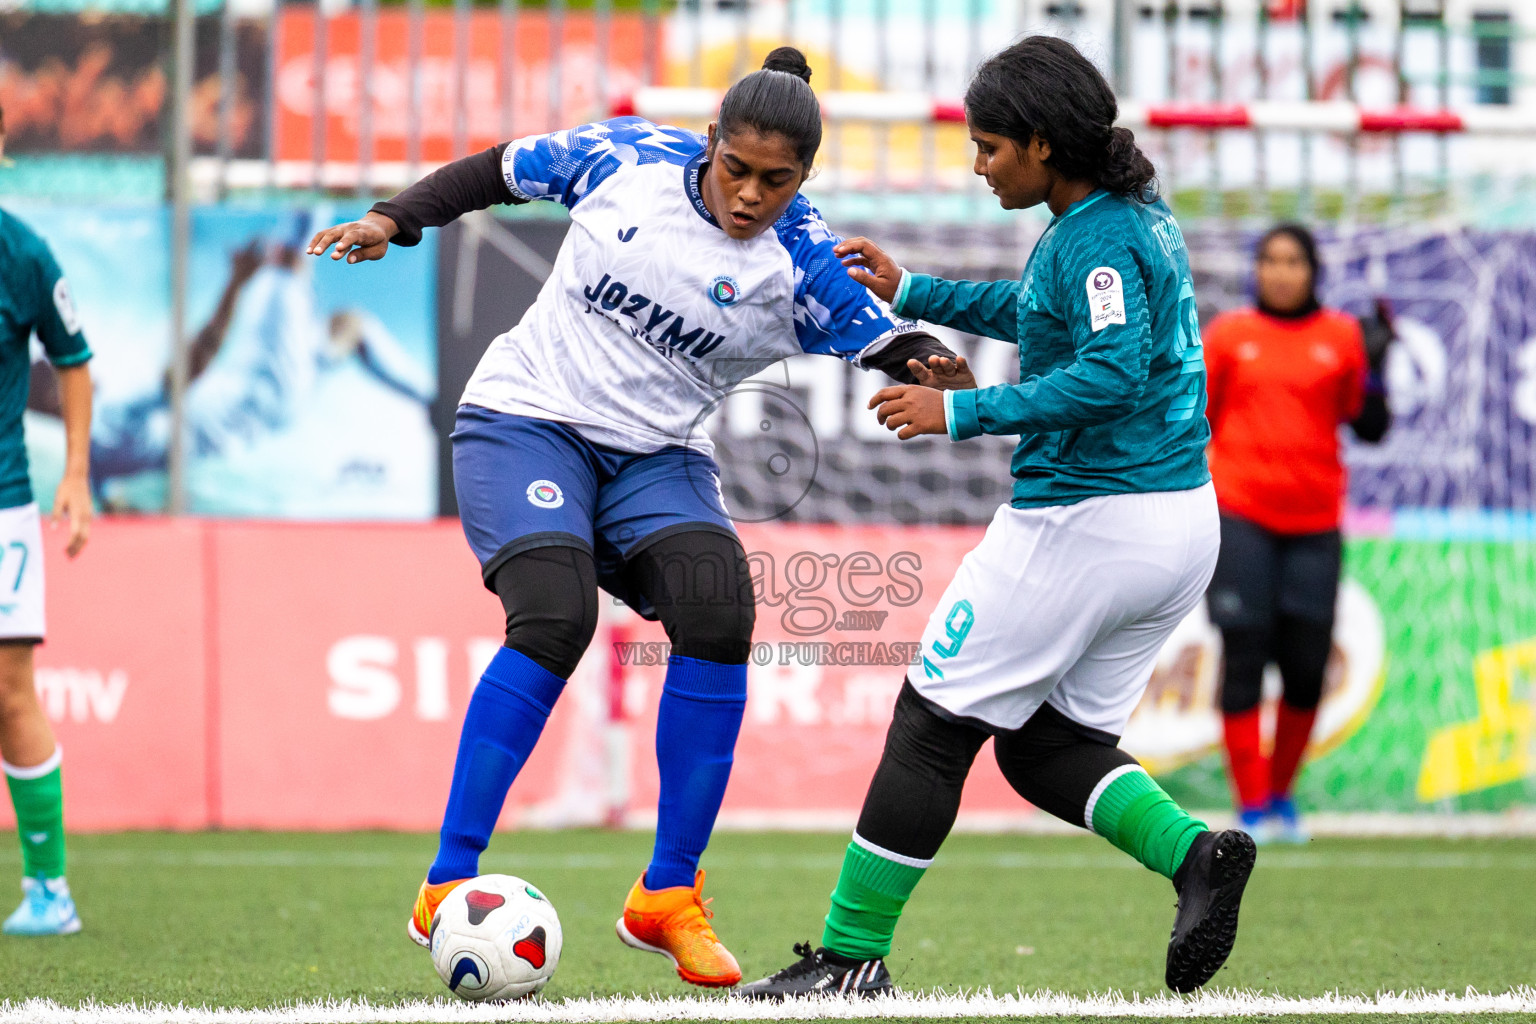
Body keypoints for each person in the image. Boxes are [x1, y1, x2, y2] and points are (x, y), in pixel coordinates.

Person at [306, 48, 972, 988]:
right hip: (525, 421)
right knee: (555, 614)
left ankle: (666, 896)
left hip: (657, 457)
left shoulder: (802, 260)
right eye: (735, 168)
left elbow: (884, 336)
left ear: (804, 179)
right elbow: (495, 170)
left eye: (774, 181)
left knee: (721, 612)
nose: (748, 194)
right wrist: (393, 218)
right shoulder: (624, 160)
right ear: (709, 144)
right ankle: (447, 880)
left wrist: (927, 360)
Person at [739, 36, 1254, 999]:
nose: (976, 166)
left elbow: (1110, 372)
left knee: (932, 723)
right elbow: (1048, 314)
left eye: (988, 148)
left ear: (1043, 145)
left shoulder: (1097, 234)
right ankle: (1195, 858)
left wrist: (960, 412)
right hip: (1179, 522)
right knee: (1044, 744)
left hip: (1091, 523)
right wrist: (916, 291)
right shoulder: (1124, 213)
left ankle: (850, 959)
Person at [1203, 224, 1390, 844]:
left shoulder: (1341, 336)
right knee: (1244, 656)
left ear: (1313, 270)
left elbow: (1369, 427)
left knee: (1308, 669)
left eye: (1293, 261)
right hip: (1241, 515)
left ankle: (1283, 796)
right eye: (1269, 260)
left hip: (1315, 524)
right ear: (1255, 270)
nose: (1281, 272)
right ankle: (1251, 806)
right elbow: (1197, 418)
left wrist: (1378, 369)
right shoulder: (1229, 335)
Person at [0, 103, 94, 936]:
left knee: (8, 689)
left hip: (2, 508)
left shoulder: (23, 253)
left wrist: (76, 475)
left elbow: (73, 360)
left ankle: (48, 891)